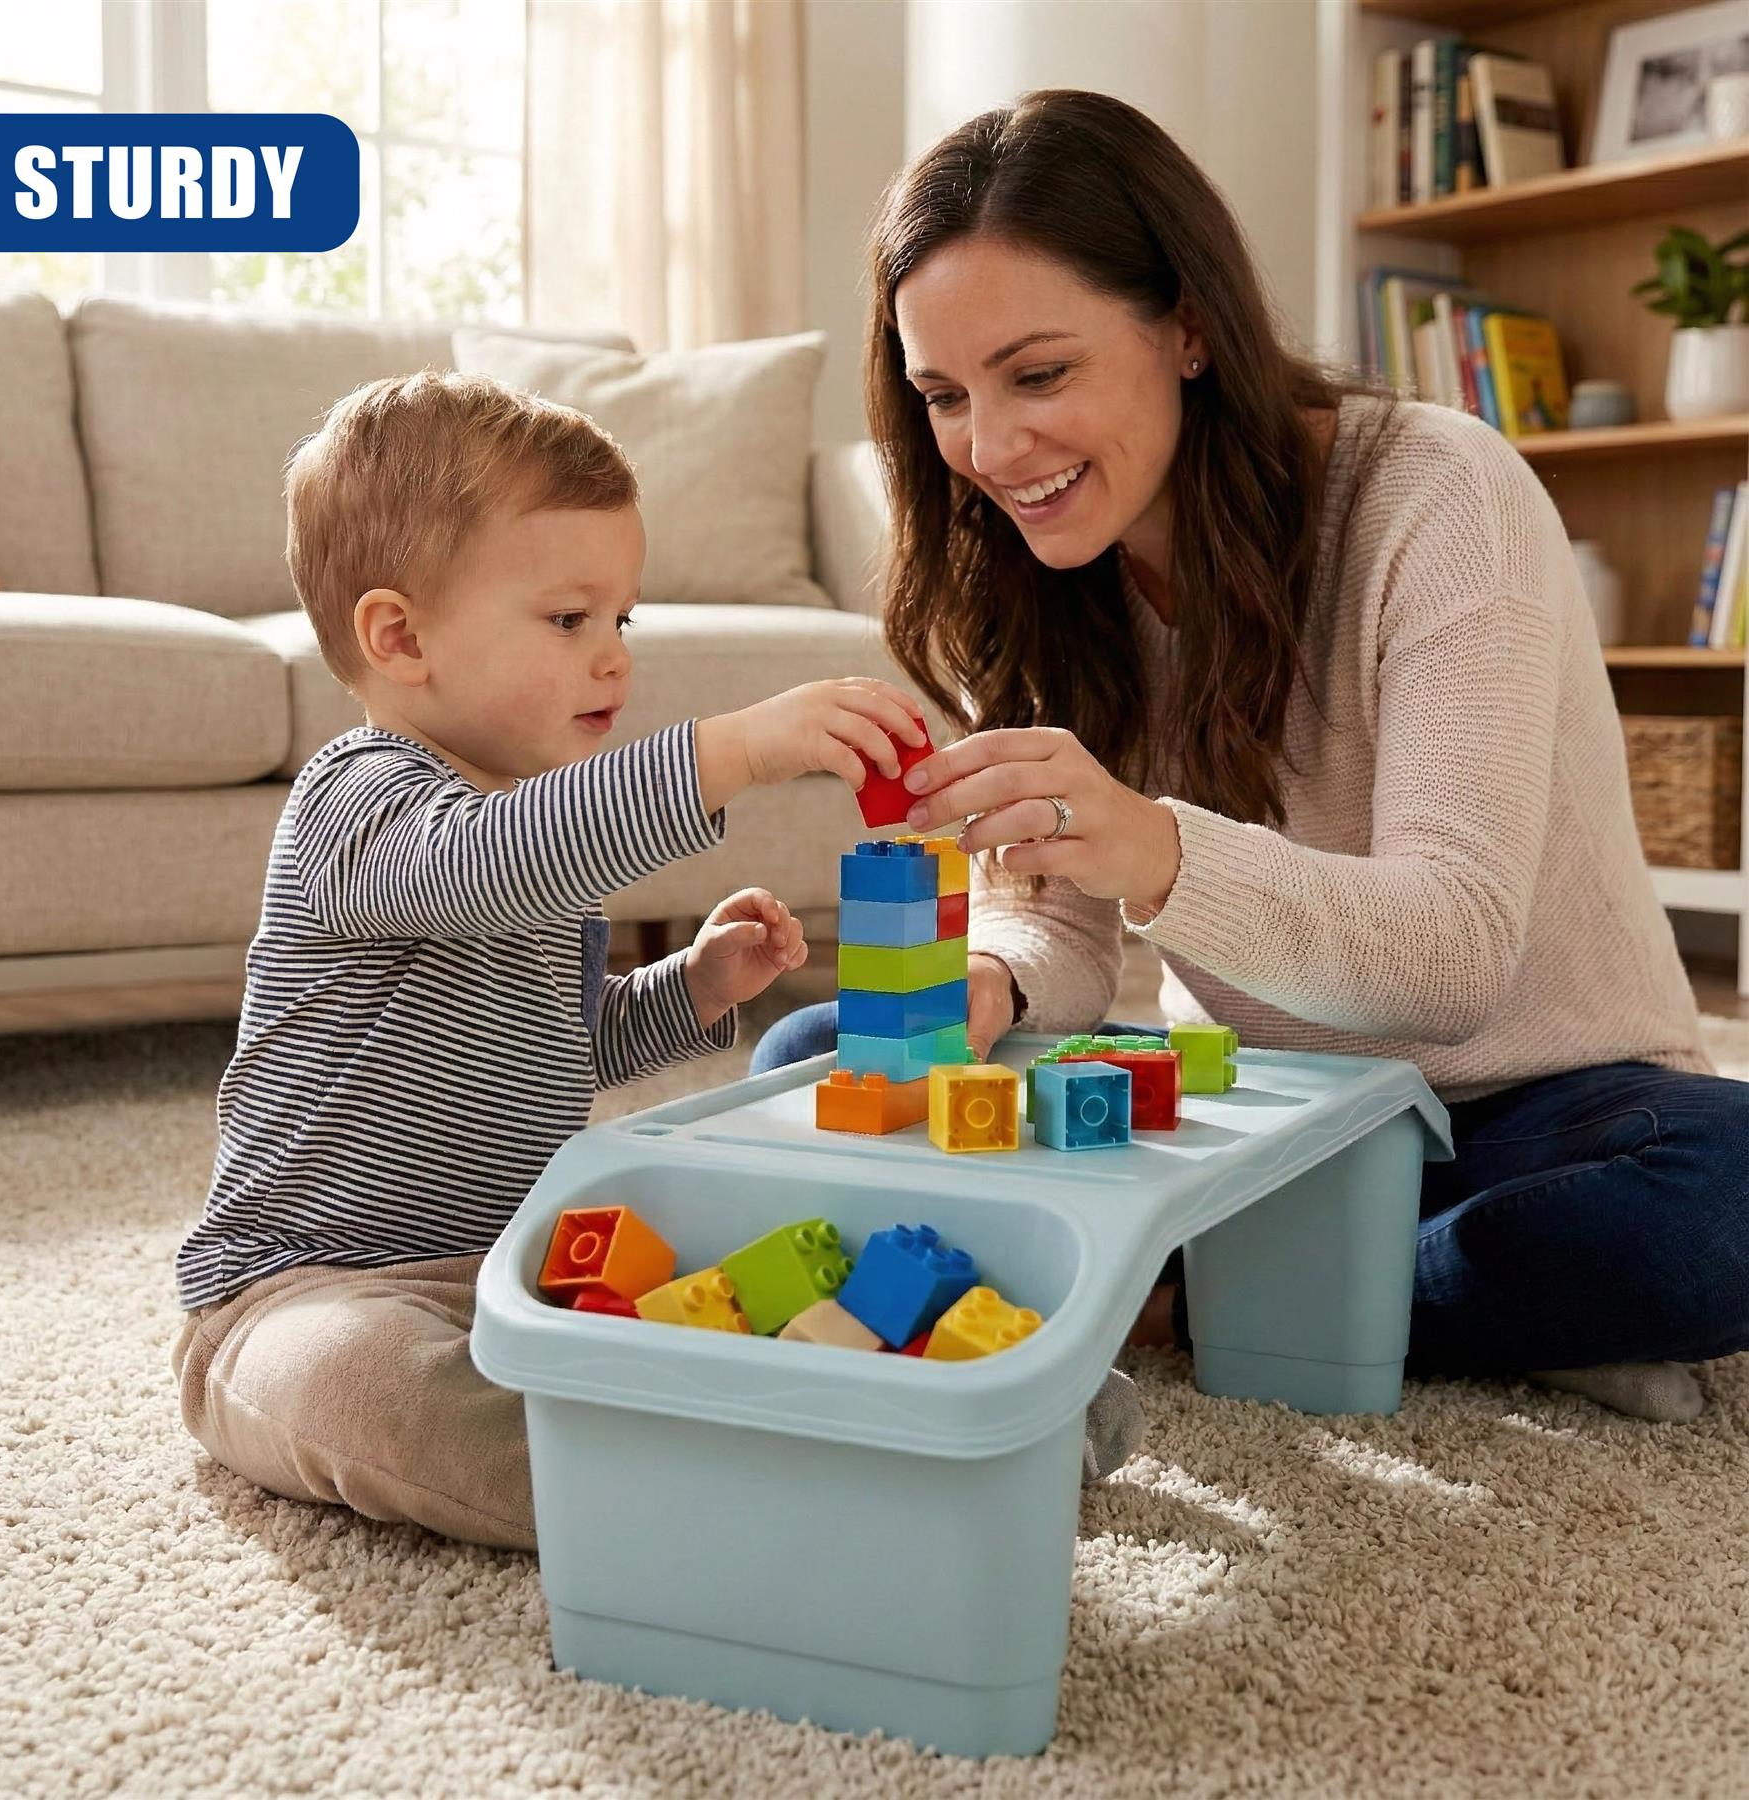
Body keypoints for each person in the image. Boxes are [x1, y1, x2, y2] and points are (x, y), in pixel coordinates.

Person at [752, 89, 1749, 1424]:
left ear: (1190, 329)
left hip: (1528, 1108)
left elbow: (1450, 961)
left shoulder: (1441, 496)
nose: (990, 450)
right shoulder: (1040, 573)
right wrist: (988, 984)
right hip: (1263, 1117)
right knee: (817, 1052)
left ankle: (1172, 1295)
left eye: (1039, 375)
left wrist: (1155, 849)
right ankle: (1371, 1300)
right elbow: (1058, 937)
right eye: (945, 396)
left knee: (1719, 1207)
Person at [170, 370, 928, 1547]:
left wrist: (692, 987)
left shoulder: (528, 831)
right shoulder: (361, 806)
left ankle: (915, 1404)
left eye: (621, 621)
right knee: (381, 1391)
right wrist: (728, 751)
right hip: (306, 1286)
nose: (613, 659)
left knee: (731, 1267)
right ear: (401, 637)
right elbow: (488, 864)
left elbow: (558, 1039)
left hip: (524, 1260)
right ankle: (704, 1486)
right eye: (570, 621)